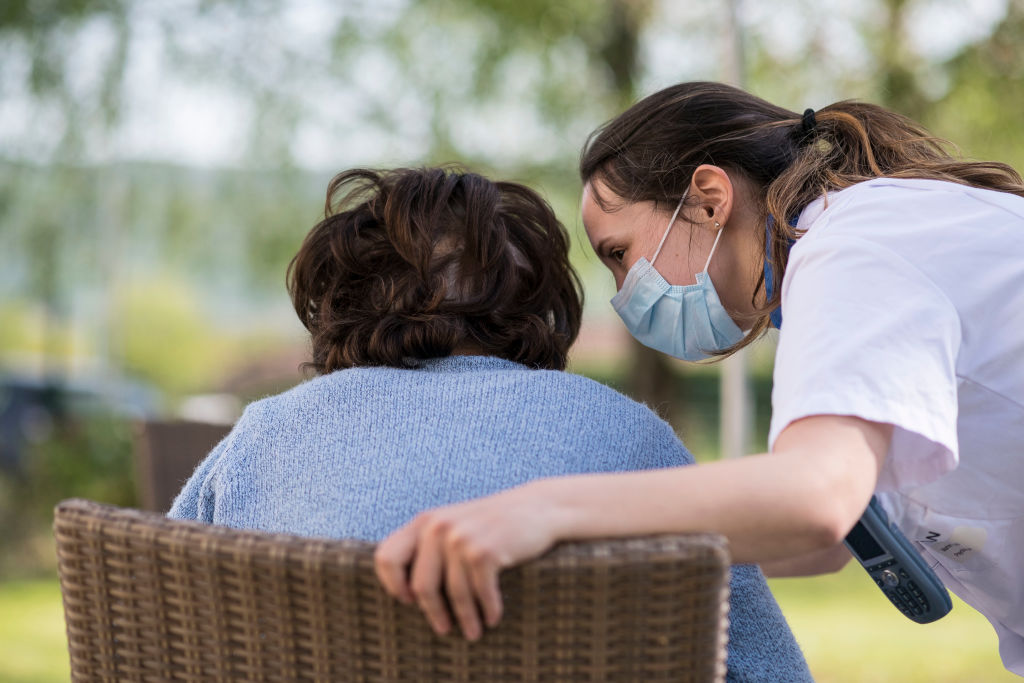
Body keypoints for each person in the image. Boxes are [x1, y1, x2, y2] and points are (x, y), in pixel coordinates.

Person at [374, 82, 1024, 676]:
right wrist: (576, 562)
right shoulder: (857, 252)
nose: (624, 293)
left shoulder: (856, 250)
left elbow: (817, 497)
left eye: (620, 254)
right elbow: (836, 534)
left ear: (709, 200)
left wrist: (543, 510)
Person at [167, 166, 814, 681]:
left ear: (346, 295)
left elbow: (166, 632)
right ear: (538, 301)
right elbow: (768, 669)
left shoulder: (267, 434)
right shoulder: (632, 437)